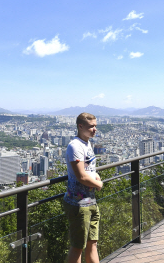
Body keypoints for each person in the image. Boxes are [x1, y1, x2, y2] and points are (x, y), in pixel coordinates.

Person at [64, 112, 103, 263]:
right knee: (77, 247)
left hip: (90, 202)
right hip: (78, 205)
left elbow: (88, 169)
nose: (95, 129)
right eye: (91, 126)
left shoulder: (87, 143)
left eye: (95, 126)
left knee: (93, 243)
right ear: (80, 126)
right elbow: (81, 176)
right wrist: (98, 184)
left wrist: (96, 175)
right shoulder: (75, 146)